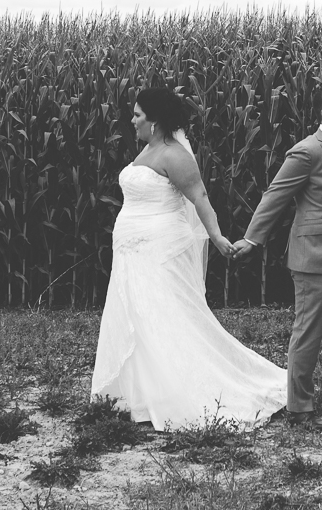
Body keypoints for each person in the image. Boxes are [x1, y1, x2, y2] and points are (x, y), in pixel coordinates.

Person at [90, 87, 286, 429]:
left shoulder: (174, 155)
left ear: (155, 122)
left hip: (161, 247)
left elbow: (199, 197)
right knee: (137, 315)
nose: (132, 121)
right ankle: (140, 395)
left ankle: (183, 391)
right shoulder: (147, 151)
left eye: (138, 115)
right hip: (131, 249)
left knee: (164, 316)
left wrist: (217, 236)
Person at [233, 83, 322, 423]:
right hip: (316, 258)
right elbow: (275, 196)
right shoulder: (307, 151)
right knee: (308, 336)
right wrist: (253, 239)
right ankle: (301, 408)